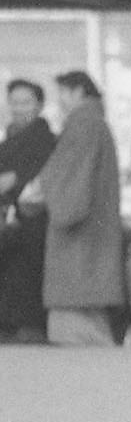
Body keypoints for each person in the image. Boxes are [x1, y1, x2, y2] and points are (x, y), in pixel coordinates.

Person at [13, 70, 125, 347]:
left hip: (77, 243)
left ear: (78, 92)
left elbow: (63, 177)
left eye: (63, 93)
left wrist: (30, 196)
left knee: (75, 334)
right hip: (95, 239)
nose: (60, 101)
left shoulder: (82, 125)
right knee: (91, 321)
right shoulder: (97, 124)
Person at [0, 77, 53, 342]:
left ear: (40, 105)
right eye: (14, 102)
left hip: (31, 231)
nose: (19, 108)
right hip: (9, 230)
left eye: (26, 102)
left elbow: (15, 182)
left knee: (25, 292)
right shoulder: (9, 139)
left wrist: (13, 180)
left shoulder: (45, 141)